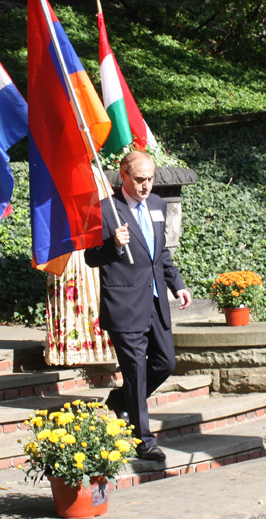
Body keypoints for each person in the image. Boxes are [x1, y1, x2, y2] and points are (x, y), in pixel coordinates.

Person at [84, 151, 192, 461]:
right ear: (123, 176)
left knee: (165, 363)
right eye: (139, 179)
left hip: (156, 300)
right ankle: (143, 440)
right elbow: (92, 257)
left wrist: (178, 285)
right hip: (125, 304)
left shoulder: (157, 204)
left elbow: (161, 254)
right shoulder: (106, 210)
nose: (146, 185)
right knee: (136, 373)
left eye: (150, 179)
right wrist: (113, 246)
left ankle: (120, 402)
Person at [44, 167, 116, 366]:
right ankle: (70, 349)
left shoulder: (95, 172)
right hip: (66, 239)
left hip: (91, 239)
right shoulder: (56, 169)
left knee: (94, 293)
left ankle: (95, 346)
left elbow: (109, 206)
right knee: (70, 293)